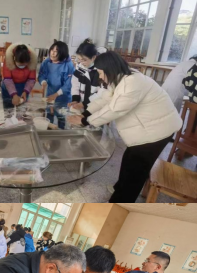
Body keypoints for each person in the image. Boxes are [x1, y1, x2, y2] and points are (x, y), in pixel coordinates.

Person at [67, 52, 182, 202]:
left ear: (109, 69)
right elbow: (105, 99)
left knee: (136, 171)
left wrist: (85, 121)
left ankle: (120, 202)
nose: (100, 77)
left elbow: (114, 109)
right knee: (129, 159)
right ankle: (119, 189)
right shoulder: (120, 77)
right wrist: (86, 113)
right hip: (148, 127)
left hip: (158, 131)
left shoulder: (132, 83)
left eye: (101, 73)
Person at [1, 43, 38, 108]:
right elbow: (7, 79)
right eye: (20, 65)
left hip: (23, 87)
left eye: (24, 65)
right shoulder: (8, 60)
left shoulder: (32, 61)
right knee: (8, 110)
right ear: (14, 59)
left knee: (22, 110)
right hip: (8, 87)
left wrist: (25, 92)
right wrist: (14, 94)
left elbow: (31, 79)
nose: (22, 67)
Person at [70, 39, 102, 111]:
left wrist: (85, 103)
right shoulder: (78, 70)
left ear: (93, 57)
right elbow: (75, 86)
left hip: (95, 107)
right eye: (79, 59)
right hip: (82, 106)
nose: (81, 62)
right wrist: (75, 100)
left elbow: (101, 93)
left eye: (84, 60)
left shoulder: (100, 72)